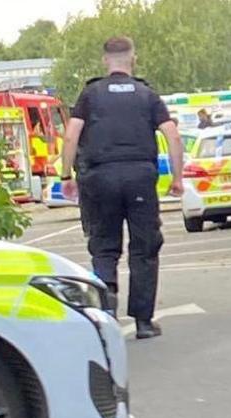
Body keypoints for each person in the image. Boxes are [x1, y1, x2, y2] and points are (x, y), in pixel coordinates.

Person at [60, 36, 184, 339]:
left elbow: (70, 136)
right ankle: (143, 322)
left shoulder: (90, 94)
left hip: (99, 179)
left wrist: (66, 176)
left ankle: (107, 314)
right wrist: (177, 178)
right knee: (144, 248)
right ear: (133, 59)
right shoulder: (147, 94)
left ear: (105, 61)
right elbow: (173, 136)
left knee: (104, 248)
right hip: (140, 176)